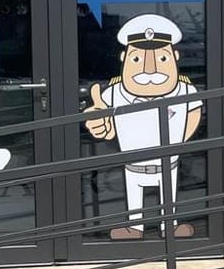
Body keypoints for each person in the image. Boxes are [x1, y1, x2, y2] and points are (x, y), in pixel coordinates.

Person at [83, 13, 203, 240]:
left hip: (168, 163)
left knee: (168, 195)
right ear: (124, 58)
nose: (150, 69)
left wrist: (178, 142)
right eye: (137, 59)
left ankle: (169, 226)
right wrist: (99, 123)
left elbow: (193, 115)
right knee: (134, 195)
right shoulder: (115, 93)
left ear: (175, 57)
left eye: (162, 58)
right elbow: (103, 120)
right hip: (133, 165)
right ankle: (134, 227)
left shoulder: (184, 91)